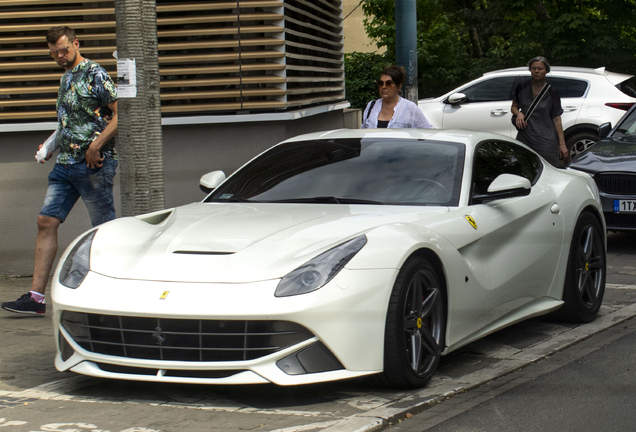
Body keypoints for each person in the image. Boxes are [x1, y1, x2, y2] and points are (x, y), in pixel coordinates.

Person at [1, 26, 118, 314]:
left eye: (63, 50)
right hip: (64, 163)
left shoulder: (95, 73)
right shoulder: (66, 77)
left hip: (93, 163)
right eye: (53, 52)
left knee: (102, 230)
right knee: (45, 221)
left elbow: (122, 112)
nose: (59, 56)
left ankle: (110, 296)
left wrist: (96, 146)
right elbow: (69, 120)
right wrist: (52, 144)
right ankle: (36, 299)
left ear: (76, 43)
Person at [511, 56, 568, 167]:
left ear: (546, 71)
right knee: (524, 168)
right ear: (530, 70)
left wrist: (562, 144)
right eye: (533, 68)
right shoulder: (522, 86)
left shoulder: (552, 92)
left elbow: (556, 119)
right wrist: (519, 113)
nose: (536, 71)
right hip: (525, 138)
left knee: (548, 169)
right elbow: (513, 107)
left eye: (540, 69)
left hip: (546, 141)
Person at [361, 65, 433, 129]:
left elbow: (428, 131)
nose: (383, 87)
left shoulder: (410, 108)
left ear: (399, 86)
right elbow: (363, 132)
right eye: (381, 83)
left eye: (388, 83)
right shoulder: (372, 105)